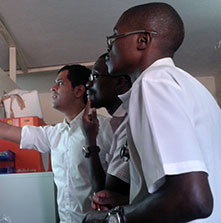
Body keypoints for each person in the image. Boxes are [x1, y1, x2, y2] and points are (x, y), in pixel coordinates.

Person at [84, 2, 221, 223]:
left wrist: (112, 219)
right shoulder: (192, 86)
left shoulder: (152, 83)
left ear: (143, 40)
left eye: (115, 37)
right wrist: (133, 201)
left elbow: (193, 200)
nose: (109, 48)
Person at [0, 64, 116, 223]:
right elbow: (3, 131)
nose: (53, 88)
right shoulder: (54, 134)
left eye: (60, 83)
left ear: (79, 91)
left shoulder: (106, 129)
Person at [81, 53, 131, 210]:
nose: (88, 84)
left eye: (95, 76)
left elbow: (106, 193)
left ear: (119, 83)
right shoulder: (118, 123)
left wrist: (90, 141)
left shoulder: (130, 123)